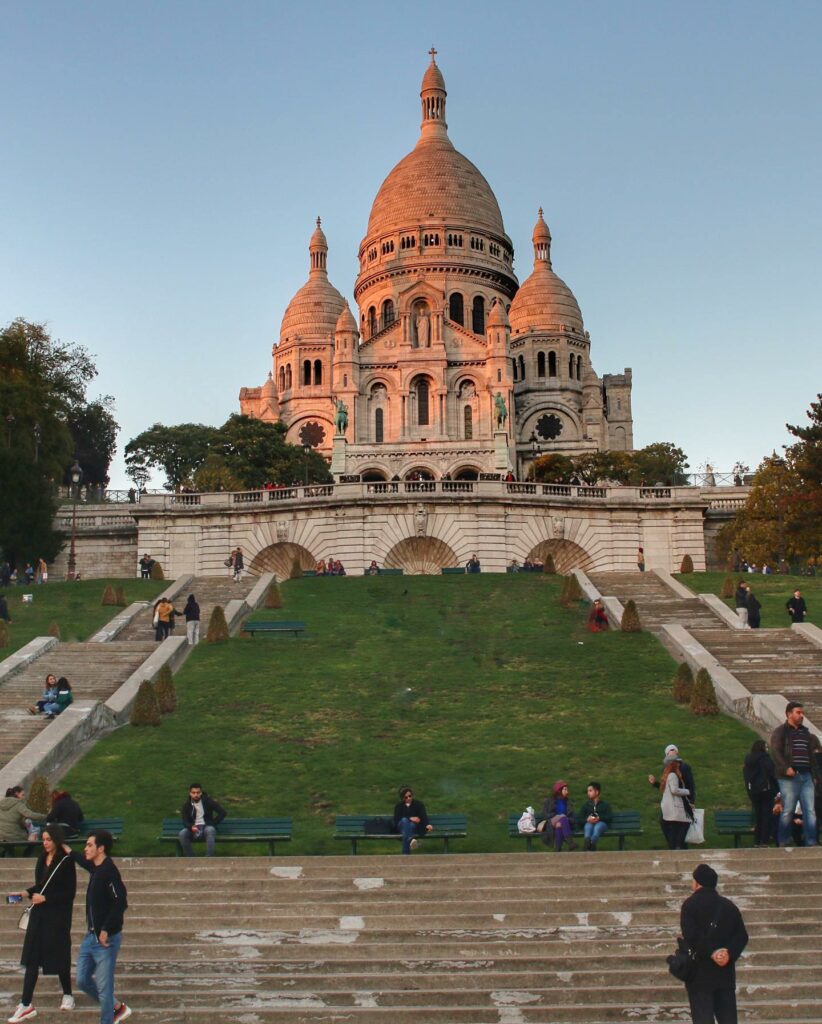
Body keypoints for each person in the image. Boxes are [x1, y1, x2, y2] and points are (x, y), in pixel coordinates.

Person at [8, 824, 77, 1022]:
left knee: (60, 954)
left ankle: (68, 994)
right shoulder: (41, 858)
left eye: (48, 839)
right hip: (39, 915)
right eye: (43, 839)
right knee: (32, 958)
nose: (45, 843)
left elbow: (69, 893)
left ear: (56, 839)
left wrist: (45, 899)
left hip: (58, 916)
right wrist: (25, 893)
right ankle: (25, 1003)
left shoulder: (65, 861)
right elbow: (41, 885)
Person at [64, 829, 130, 1023]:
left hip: (105, 940)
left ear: (100, 849)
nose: (86, 848)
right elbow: (81, 859)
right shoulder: (95, 867)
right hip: (90, 937)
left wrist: (106, 929)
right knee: (82, 980)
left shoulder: (109, 871)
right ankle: (116, 1007)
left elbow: (120, 901)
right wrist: (66, 848)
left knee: (104, 986)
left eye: (90, 845)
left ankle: (107, 1019)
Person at [677, 864, 748, 1024]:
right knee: (728, 1019)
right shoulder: (729, 906)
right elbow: (741, 936)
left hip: (700, 974)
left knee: (703, 1018)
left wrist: (711, 953)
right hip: (725, 973)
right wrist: (728, 952)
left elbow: (691, 935)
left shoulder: (690, 905)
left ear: (696, 883)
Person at [770, 700, 819, 846]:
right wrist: (786, 768)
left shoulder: (805, 732)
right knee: (788, 810)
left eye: (802, 713)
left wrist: (815, 775)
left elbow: (811, 755)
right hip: (789, 776)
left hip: (806, 775)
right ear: (789, 714)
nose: (801, 715)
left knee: (810, 810)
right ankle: (783, 840)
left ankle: (811, 841)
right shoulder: (781, 731)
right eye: (798, 712)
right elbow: (776, 751)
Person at [742, 740, 777, 846]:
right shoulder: (765, 759)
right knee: (766, 815)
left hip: (753, 791)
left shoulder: (748, 760)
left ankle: (757, 840)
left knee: (758, 815)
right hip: (766, 790)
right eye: (766, 747)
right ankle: (764, 840)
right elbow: (772, 774)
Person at [178, 784, 226, 857]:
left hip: (206, 827)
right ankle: (191, 858)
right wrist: (191, 827)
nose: (196, 795)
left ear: (201, 793)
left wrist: (213, 823)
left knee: (210, 830)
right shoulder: (186, 805)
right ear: (190, 793)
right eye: (193, 793)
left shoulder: (208, 801)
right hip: (193, 828)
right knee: (182, 833)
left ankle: (208, 857)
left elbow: (222, 812)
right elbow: (185, 821)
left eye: (198, 792)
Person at [660, 754, 692, 850]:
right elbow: (674, 790)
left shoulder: (667, 775)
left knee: (675, 827)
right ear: (673, 764)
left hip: (669, 807)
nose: (679, 764)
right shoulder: (673, 775)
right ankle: (678, 845)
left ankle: (674, 846)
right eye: (677, 762)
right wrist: (687, 791)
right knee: (686, 823)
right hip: (674, 806)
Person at [392, 786, 432, 854]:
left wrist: (427, 824)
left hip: (413, 827)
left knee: (410, 826)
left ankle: (406, 854)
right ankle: (410, 839)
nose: (409, 798)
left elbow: (423, 816)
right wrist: (410, 818)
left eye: (410, 796)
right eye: (406, 797)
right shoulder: (399, 806)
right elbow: (397, 819)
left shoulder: (418, 804)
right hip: (400, 827)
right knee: (404, 820)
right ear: (402, 798)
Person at [542, 781, 576, 851]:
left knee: (559, 825)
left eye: (567, 789)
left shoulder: (568, 802)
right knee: (562, 818)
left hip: (564, 822)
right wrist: (557, 816)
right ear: (559, 790)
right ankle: (570, 842)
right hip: (551, 822)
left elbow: (572, 816)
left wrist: (563, 819)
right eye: (565, 789)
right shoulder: (549, 801)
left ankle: (557, 848)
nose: (567, 791)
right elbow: (544, 815)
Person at [578, 781, 612, 850]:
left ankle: (591, 842)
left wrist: (599, 818)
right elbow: (579, 819)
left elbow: (609, 817)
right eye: (588, 791)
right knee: (588, 826)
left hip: (601, 823)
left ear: (597, 792)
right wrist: (587, 819)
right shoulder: (586, 805)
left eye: (590, 791)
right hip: (589, 823)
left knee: (597, 826)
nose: (588, 793)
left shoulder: (604, 805)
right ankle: (588, 842)